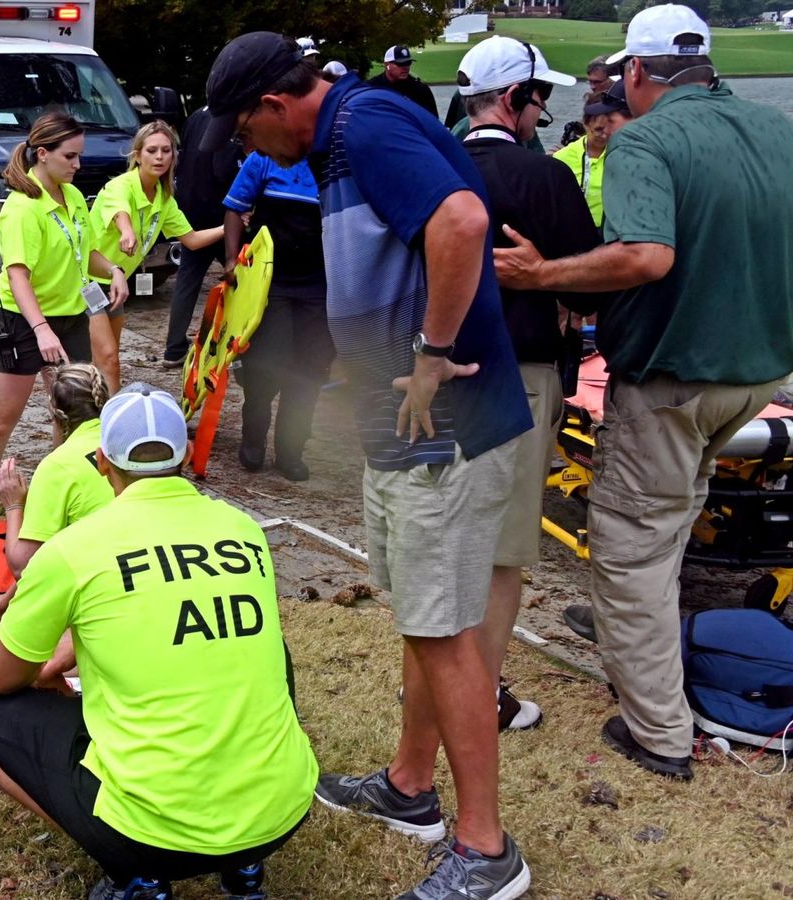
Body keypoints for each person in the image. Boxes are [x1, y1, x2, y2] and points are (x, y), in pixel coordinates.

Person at [201, 33, 533, 898]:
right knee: (422, 619)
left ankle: (486, 849)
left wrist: (432, 353)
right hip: (405, 433)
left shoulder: (362, 125)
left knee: (445, 630)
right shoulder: (349, 130)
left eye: (244, 132)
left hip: (444, 427)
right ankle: (410, 787)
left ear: (275, 106)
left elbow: (463, 219)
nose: (248, 150)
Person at [494, 4, 793, 781]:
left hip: (673, 378)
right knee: (673, 513)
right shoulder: (776, 131)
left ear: (633, 73)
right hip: (757, 377)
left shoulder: (646, 140)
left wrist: (543, 275)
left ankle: (659, 731)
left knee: (629, 550)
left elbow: (645, 256)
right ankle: (643, 634)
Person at [0, 384, 317, 900]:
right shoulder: (245, 531)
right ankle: (243, 868)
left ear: (103, 462)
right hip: (283, 812)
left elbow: (1, 676)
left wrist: (44, 669)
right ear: (182, 458)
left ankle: (134, 872)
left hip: (154, 833)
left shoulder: (73, 550)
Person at [456, 36, 605, 733]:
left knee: (448, 536)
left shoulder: (434, 162)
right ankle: (478, 693)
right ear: (514, 99)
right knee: (502, 550)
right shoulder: (544, 177)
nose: (543, 112)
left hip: (434, 371)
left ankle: (435, 681)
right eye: (539, 98)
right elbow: (594, 282)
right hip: (521, 371)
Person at [0, 112, 128, 536]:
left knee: (76, 414)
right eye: (71, 156)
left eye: (79, 156)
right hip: (21, 319)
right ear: (42, 154)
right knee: (1, 418)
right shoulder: (22, 208)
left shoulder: (73, 196)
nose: (78, 165)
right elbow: (17, 274)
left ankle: (59, 496)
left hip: (69, 314)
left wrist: (114, 269)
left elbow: (86, 252)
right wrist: (40, 328)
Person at [0, 364, 115, 633]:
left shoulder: (57, 466)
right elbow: (50, 550)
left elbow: (24, 565)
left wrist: (14, 504)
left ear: (56, 417)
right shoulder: (122, 443)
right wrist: (5, 601)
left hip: (102, 598)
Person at [220, 149, 331, 481]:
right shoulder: (263, 158)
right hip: (271, 284)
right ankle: (253, 440)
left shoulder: (333, 159)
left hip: (319, 285)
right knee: (267, 365)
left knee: (310, 369)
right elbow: (235, 209)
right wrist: (230, 259)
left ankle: (290, 451)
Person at [88, 122, 222, 392]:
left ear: (174, 155)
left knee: (105, 360)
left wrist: (229, 225)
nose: (159, 157)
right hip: (86, 282)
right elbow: (119, 212)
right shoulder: (121, 186)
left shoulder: (164, 198)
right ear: (137, 155)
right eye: (151, 150)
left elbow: (192, 240)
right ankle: (107, 420)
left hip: (116, 284)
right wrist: (126, 232)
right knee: (109, 360)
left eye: (166, 150)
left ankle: (104, 417)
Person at [161, 107, 245, 368]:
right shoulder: (230, 119)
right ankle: (239, 347)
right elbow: (223, 169)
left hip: (191, 208)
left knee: (187, 279)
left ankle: (174, 347)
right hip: (220, 214)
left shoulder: (196, 116)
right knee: (241, 278)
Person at [552, 82, 633, 227]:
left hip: (613, 230)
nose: (605, 135)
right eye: (598, 129)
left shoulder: (624, 154)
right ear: (585, 123)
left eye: (610, 128)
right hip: (575, 229)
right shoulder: (563, 157)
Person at [369, 45, 438, 119]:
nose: (405, 67)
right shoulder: (372, 87)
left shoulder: (420, 89)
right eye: (400, 64)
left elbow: (433, 120)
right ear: (387, 65)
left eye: (408, 63)